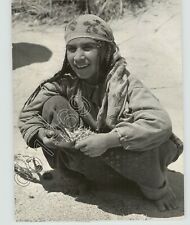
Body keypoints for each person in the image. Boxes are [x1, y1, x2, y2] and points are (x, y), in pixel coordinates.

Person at [19, 14, 183, 211]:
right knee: (52, 103)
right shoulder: (65, 83)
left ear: (105, 51)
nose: (78, 57)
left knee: (147, 134)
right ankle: (77, 177)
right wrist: (39, 134)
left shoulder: (126, 83)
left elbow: (160, 123)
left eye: (87, 48)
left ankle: (157, 189)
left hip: (130, 166)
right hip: (90, 163)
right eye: (72, 49)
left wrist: (109, 140)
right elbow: (28, 114)